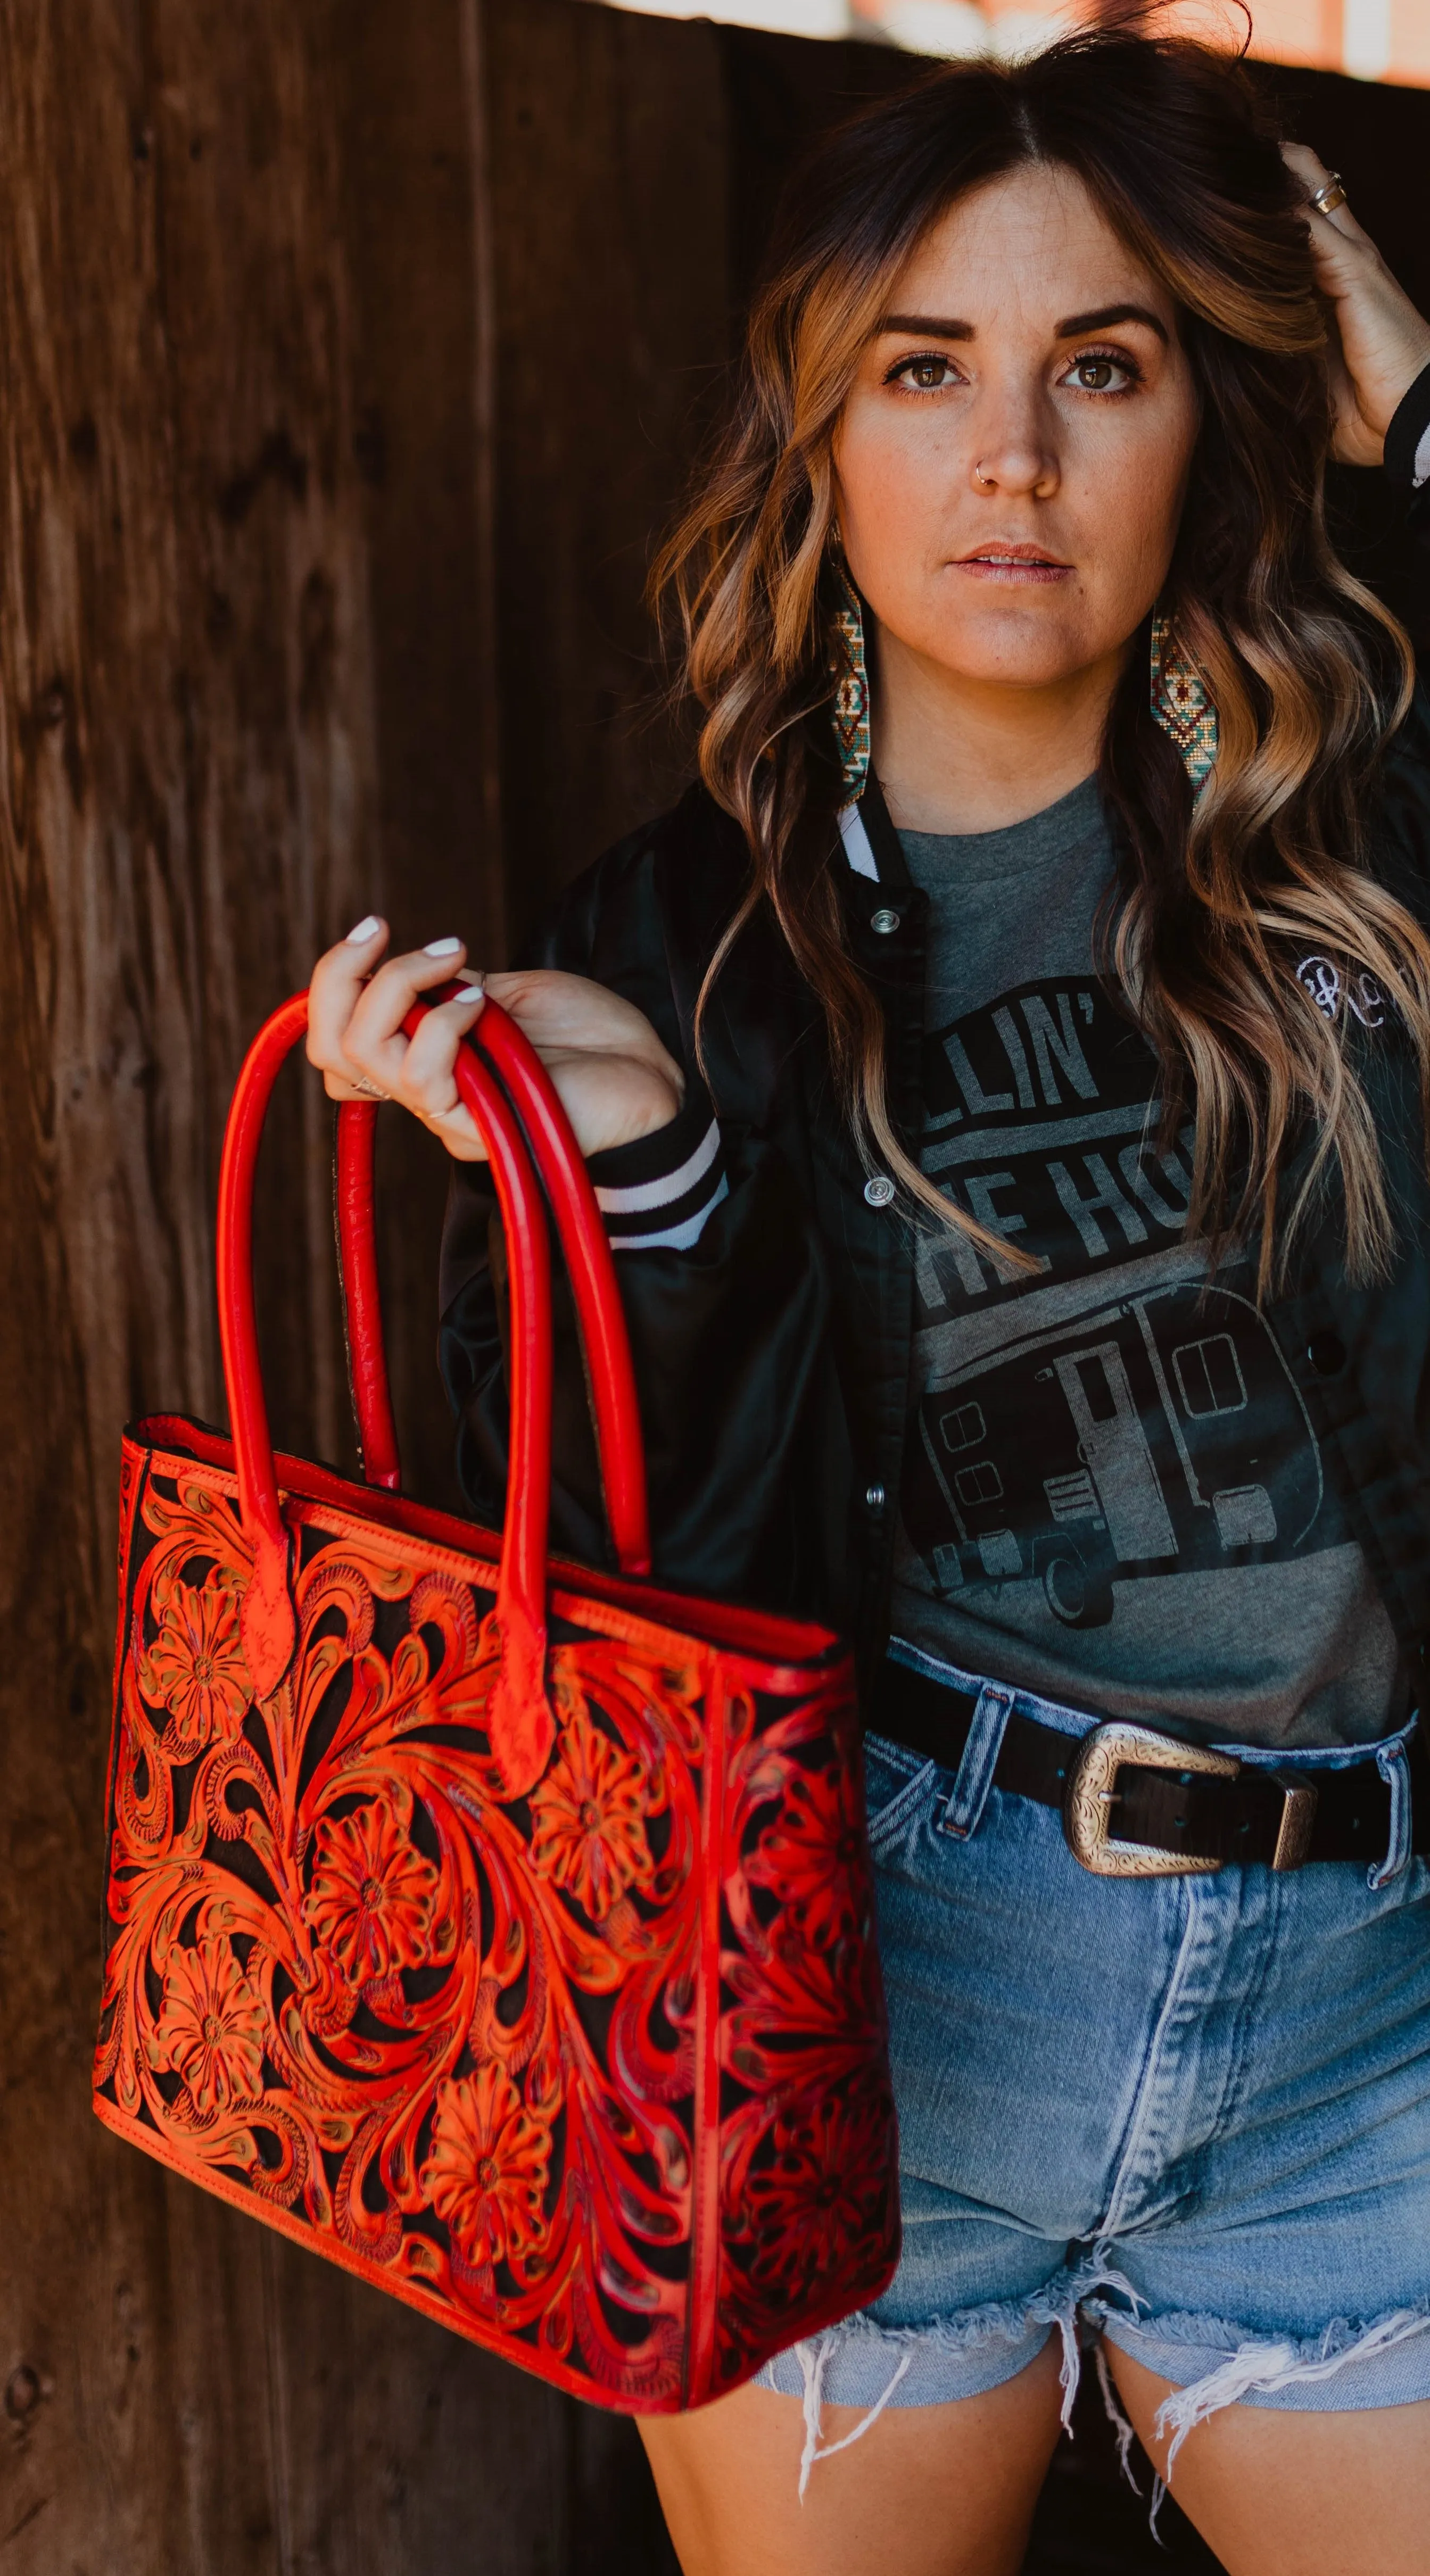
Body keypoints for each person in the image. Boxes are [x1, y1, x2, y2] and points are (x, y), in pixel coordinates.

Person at [306, 33, 1430, 2574]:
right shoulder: (669, 945)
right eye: (922, 369)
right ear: (817, 438)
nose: (1008, 455)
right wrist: (655, 1182)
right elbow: (630, 1584)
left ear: (1209, 436)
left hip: (1361, 2031)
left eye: (1101, 367)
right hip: (876, 2001)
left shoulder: (1350, 847)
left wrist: (1422, 406)